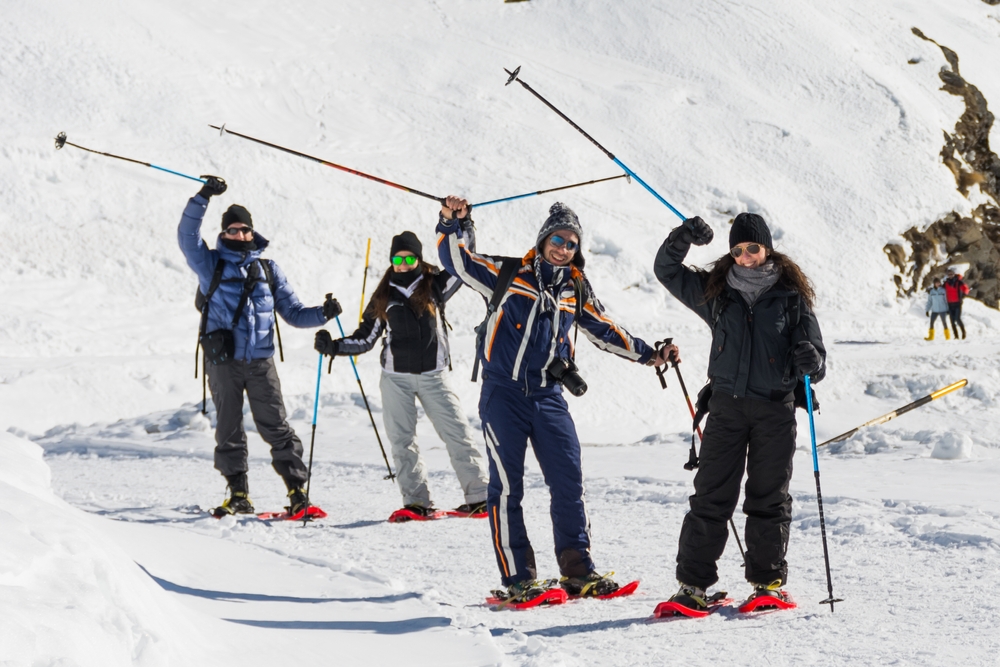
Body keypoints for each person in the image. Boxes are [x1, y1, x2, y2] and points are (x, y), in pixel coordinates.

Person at [437, 196, 675, 603]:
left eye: (571, 243)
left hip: (549, 398)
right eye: (558, 239)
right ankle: (519, 579)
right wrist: (451, 223)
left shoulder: (575, 287)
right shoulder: (509, 273)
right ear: (544, 238)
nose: (563, 248)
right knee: (508, 487)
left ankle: (577, 571)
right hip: (503, 395)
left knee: (568, 481)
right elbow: (458, 262)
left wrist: (648, 353)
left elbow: (603, 327)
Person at [653, 212, 826, 613]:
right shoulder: (716, 292)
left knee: (768, 498)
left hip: (774, 411)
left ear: (766, 248)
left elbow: (817, 362)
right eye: (737, 250)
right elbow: (666, 269)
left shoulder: (790, 295)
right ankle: (692, 587)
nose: (745, 256)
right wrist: (684, 237)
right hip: (727, 409)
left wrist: (810, 359)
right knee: (711, 497)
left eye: (752, 248)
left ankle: (767, 584)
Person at [178, 175, 343, 518]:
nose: (239, 235)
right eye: (233, 230)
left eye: (244, 230)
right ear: (223, 234)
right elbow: (186, 237)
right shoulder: (211, 266)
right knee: (229, 427)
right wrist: (204, 196)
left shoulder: (268, 269)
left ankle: (297, 492)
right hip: (224, 361)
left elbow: (294, 313)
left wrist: (322, 314)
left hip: (261, 362)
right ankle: (238, 493)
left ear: (252, 233)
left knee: (276, 425)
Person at [313, 231, 490, 521]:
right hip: (395, 379)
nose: (404, 263)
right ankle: (416, 501)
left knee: (458, 435)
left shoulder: (435, 285)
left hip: (434, 377)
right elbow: (366, 338)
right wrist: (333, 346)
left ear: (419, 259)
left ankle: (479, 496)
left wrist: (464, 225)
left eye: (410, 258)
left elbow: (462, 264)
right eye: (398, 258)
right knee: (402, 442)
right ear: (392, 261)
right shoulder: (384, 294)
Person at [943, 267, 969, 339]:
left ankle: (963, 333)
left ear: (954, 274)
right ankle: (956, 336)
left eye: (951, 274)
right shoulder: (946, 283)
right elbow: (941, 290)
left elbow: (966, 289)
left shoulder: (959, 282)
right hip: (950, 304)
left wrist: (964, 295)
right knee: (952, 321)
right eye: (949, 274)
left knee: (957, 319)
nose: (950, 275)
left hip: (957, 303)